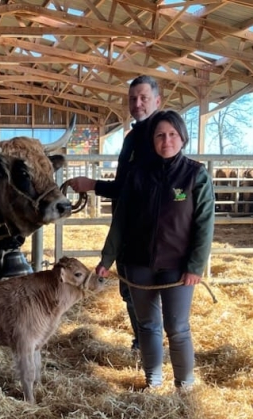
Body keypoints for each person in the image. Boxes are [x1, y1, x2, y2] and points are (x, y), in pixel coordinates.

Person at [96, 110, 215, 391]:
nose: (167, 140)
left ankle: (184, 385)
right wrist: (107, 258)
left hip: (177, 265)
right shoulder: (138, 174)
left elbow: (204, 224)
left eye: (172, 134)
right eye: (160, 135)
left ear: (182, 137)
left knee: (177, 328)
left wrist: (195, 266)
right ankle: (153, 380)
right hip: (138, 262)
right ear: (153, 140)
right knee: (148, 325)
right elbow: (121, 220)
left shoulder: (195, 175)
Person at [67, 75, 162, 351]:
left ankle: (150, 346)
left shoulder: (157, 137)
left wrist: (93, 185)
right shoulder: (134, 137)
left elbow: (134, 187)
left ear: (158, 100)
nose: (138, 103)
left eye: (144, 98)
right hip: (128, 225)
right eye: (133, 98)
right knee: (130, 290)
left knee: (141, 291)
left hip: (148, 227)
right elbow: (127, 185)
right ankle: (143, 342)